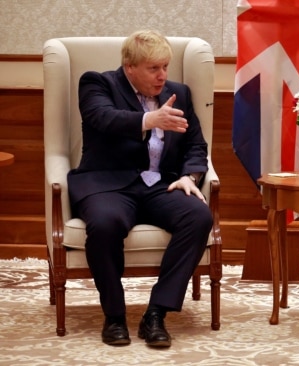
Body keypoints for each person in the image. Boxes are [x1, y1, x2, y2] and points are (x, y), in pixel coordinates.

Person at [68, 30, 213, 348]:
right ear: (129, 66)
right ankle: (115, 317)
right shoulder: (97, 83)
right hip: (109, 185)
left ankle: (157, 313)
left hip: (162, 184)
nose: (162, 76)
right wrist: (150, 119)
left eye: (165, 67)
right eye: (153, 69)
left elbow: (196, 145)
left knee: (199, 217)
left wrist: (190, 175)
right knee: (105, 224)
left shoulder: (180, 93)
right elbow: (102, 117)